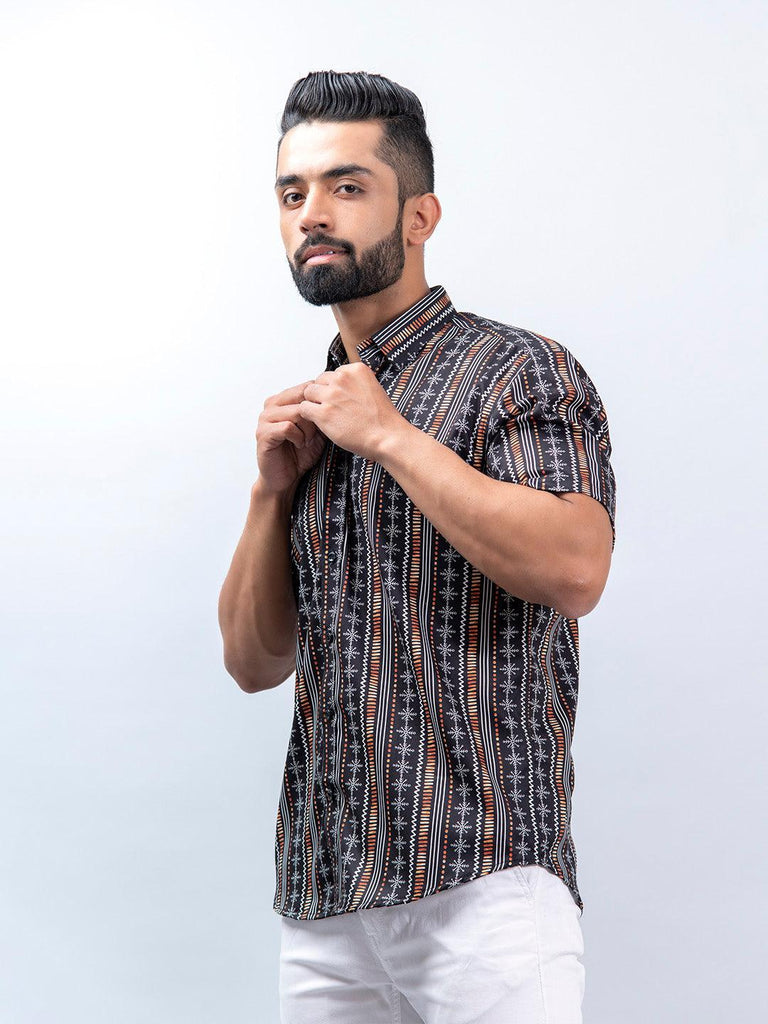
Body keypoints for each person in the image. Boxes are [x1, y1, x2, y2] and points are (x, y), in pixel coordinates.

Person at [218, 69, 617, 1024]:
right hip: (326, 901)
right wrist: (270, 495)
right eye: (292, 192)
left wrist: (392, 437)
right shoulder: (315, 420)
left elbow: (576, 568)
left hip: (483, 883)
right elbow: (253, 663)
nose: (314, 213)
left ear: (420, 215)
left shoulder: (515, 368)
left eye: (347, 186)